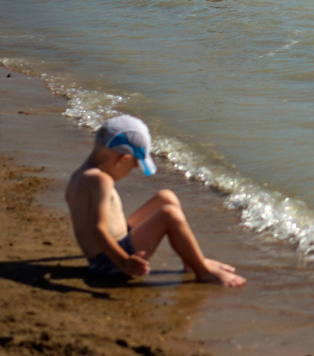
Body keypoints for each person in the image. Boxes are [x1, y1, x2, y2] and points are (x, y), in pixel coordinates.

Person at [65, 114, 245, 286]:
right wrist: (124, 262)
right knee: (169, 215)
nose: (133, 169)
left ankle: (191, 261)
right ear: (122, 158)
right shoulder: (100, 180)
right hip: (109, 263)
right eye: (135, 164)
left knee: (165, 197)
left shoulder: (79, 176)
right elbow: (99, 230)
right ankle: (203, 271)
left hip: (113, 248)